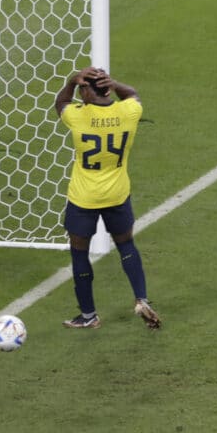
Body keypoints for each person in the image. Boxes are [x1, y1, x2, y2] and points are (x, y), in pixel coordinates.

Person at [53, 66, 161, 329]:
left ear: (88, 91)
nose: (79, 94)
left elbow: (61, 102)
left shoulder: (79, 116)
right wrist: (115, 84)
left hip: (84, 198)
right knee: (126, 246)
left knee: (79, 253)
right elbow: (132, 94)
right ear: (107, 88)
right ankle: (141, 298)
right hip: (117, 194)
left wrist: (70, 82)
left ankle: (89, 316)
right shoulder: (128, 112)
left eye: (82, 89)